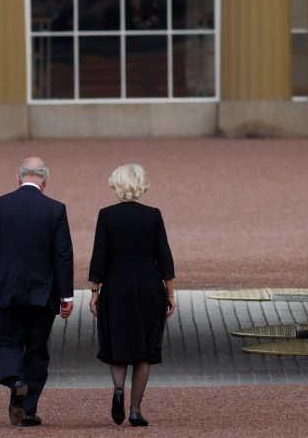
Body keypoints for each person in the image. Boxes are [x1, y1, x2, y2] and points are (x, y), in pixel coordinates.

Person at [0, 157, 74, 427]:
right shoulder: (55, 209)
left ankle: (15, 380)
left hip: (7, 289)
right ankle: (28, 409)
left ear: (18, 178)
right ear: (45, 182)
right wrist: (66, 295)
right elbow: (63, 255)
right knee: (36, 349)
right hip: (43, 293)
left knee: (8, 342)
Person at [88, 163, 175, 427]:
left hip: (116, 286)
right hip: (148, 286)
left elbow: (99, 256)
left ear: (117, 185)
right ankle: (135, 410)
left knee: (117, 344)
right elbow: (164, 256)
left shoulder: (106, 215)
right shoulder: (153, 215)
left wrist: (95, 291)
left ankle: (118, 390)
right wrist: (170, 292)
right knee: (144, 350)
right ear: (141, 186)